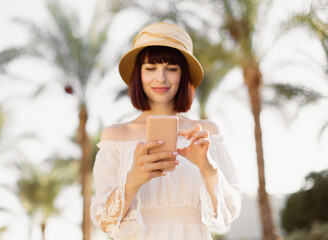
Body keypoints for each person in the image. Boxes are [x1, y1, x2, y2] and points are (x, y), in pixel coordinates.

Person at [90, 22, 241, 240]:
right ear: (138, 74)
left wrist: (207, 167)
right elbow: (104, 222)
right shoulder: (116, 136)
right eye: (150, 68)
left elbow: (225, 218)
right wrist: (133, 178)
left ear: (183, 75)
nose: (161, 78)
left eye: (171, 68)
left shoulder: (205, 133)